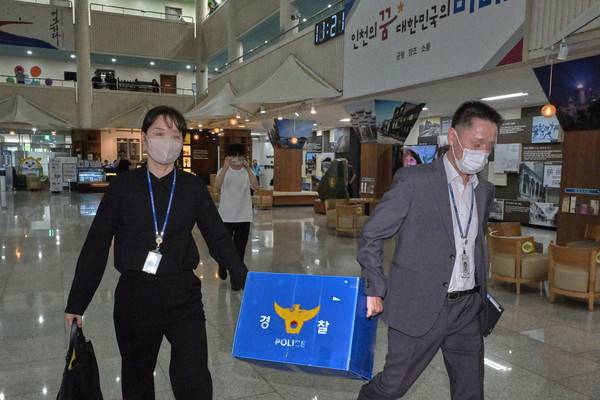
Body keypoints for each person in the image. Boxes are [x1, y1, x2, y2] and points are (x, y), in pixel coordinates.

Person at [64, 106, 248, 400]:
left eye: (175, 136)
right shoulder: (123, 187)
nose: (168, 142)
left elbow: (218, 237)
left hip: (183, 294)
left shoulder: (191, 186)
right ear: (145, 138)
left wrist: (246, 279)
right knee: (137, 379)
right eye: (160, 133)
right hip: (135, 297)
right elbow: (97, 244)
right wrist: (77, 301)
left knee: (194, 378)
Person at [356, 101, 499, 400]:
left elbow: (471, 242)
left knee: (471, 391)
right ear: (453, 136)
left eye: (489, 145)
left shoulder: (484, 190)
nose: (483, 152)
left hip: (467, 308)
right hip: (419, 306)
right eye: (477, 143)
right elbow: (372, 234)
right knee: (392, 387)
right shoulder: (414, 181)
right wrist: (374, 287)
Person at [214, 144, 258, 283]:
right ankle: (222, 265)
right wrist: (225, 167)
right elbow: (216, 186)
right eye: (233, 156)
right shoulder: (223, 171)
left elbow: (256, 187)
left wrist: (248, 168)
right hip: (226, 216)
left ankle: (236, 278)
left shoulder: (247, 172)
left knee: (240, 249)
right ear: (228, 157)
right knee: (225, 247)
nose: (236, 159)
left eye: (240, 156)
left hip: (244, 216)